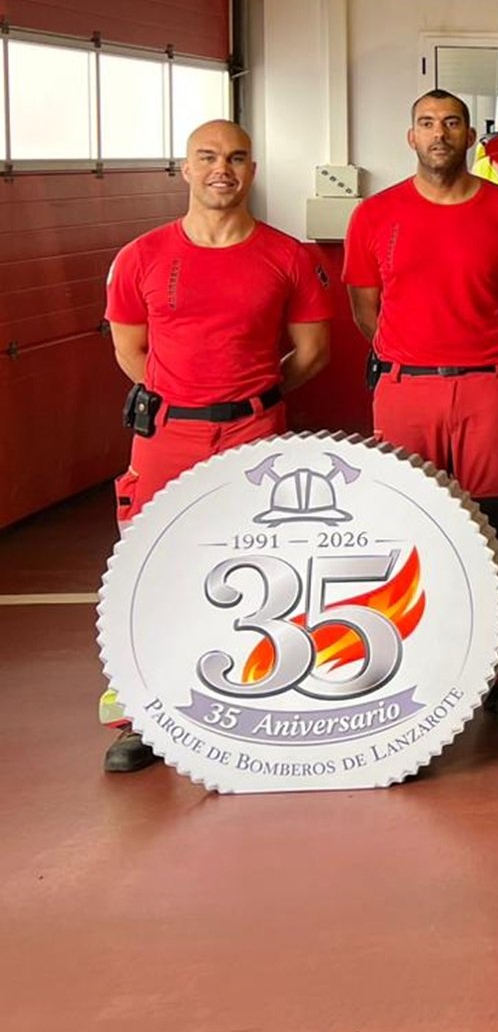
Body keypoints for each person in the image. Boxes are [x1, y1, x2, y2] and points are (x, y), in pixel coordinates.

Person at [101, 119, 335, 771]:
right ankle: (139, 715)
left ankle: (258, 691)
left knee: (259, 569)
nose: (221, 170)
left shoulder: (288, 257)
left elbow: (313, 352)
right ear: (184, 168)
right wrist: (189, 397)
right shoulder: (141, 257)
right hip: (167, 435)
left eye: (235, 158)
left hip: (254, 432)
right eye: (206, 157)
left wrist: (248, 396)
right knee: (150, 567)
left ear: (253, 170)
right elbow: (130, 349)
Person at [345, 89, 498, 715]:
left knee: (496, 531)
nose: (439, 134)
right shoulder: (374, 216)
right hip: (405, 389)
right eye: (426, 123)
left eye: (451, 123)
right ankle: (422, 664)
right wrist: (419, 356)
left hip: (488, 385)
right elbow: (366, 311)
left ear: (471, 136)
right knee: (409, 530)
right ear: (411, 136)